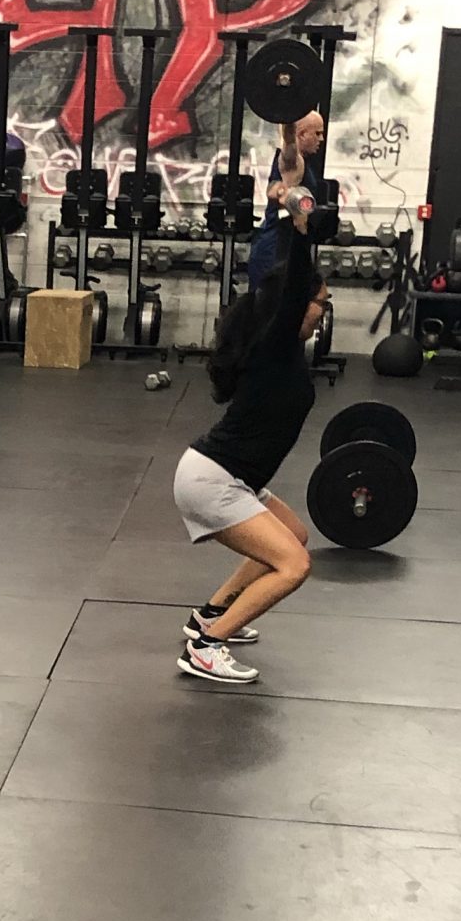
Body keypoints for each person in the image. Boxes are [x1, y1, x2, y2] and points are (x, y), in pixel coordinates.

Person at [173, 141, 325, 687]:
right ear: (298, 306)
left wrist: (289, 196)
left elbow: (279, 275)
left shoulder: (279, 345)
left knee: (294, 536)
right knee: (295, 566)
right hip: (212, 481)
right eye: (321, 303)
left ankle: (211, 615)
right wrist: (299, 226)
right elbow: (291, 281)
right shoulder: (277, 343)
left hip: (230, 476)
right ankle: (207, 648)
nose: (323, 312)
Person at [246, 107, 327, 290]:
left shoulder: (302, 163)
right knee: (269, 305)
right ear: (302, 134)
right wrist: (289, 111)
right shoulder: (292, 161)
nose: (321, 139)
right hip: (277, 250)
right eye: (317, 133)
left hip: (289, 247)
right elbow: (289, 142)